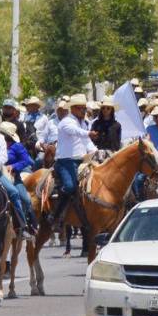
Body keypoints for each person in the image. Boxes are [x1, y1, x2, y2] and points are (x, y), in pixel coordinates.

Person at [53, 94, 95, 226]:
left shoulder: (82, 123)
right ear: (73, 109)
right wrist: (88, 133)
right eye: (81, 108)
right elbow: (75, 131)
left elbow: (87, 142)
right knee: (70, 186)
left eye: (84, 108)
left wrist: (96, 151)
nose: (84, 111)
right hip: (65, 162)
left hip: (82, 160)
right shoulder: (66, 121)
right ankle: (56, 215)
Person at [0, 121, 39, 234]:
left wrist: (13, 166)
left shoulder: (17, 146)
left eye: (1, 133)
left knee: (25, 199)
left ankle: (28, 225)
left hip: (13, 177)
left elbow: (26, 161)